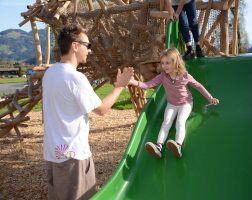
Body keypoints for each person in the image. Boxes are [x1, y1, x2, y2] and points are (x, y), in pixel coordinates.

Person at [42, 24, 134, 200]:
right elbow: (101, 109)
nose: (89, 51)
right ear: (75, 46)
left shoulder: (50, 73)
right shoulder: (75, 78)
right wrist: (119, 86)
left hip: (52, 153)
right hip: (73, 156)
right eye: (88, 45)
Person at [129, 47, 219, 159]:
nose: (164, 66)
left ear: (175, 62)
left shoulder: (185, 76)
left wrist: (210, 98)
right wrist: (133, 82)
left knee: (180, 121)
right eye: (162, 63)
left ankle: (178, 146)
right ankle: (159, 147)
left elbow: (199, 86)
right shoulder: (163, 76)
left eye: (167, 63)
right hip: (171, 104)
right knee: (166, 122)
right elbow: (148, 84)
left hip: (185, 104)